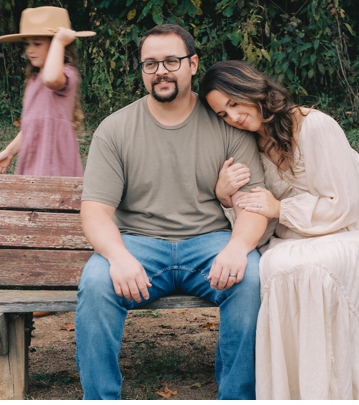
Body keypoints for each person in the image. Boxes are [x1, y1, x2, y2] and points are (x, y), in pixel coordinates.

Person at [75, 24, 269, 400]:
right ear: (142, 71)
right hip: (137, 245)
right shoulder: (115, 130)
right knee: (97, 282)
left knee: (251, 278)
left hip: (210, 243)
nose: (160, 71)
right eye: (150, 63)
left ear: (193, 64)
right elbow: (95, 212)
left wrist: (236, 247)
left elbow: (254, 203)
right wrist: (117, 256)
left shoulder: (225, 122)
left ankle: (237, 397)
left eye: (171, 61)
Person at [201, 60, 359, 400]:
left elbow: (345, 203)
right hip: (289, 240)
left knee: (316, 271)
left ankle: (331, 390)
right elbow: (258, 232)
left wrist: (280, 208)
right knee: (275, 268)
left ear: (250, 88)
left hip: (345, 234)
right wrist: (226, 198)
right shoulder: (248, 148)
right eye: (222, 115)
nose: (233, 117)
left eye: (233, 102)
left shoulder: (315, 125)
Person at [0, 6, 94, 177]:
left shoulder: (65, 74)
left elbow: (52, 79)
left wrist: (59, 42)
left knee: (52, 200)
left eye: (37, 44)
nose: (30, 50)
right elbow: (32, 127)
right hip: (34, 159)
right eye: (27, 44)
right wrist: (9, 151)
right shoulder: (34, 80)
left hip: (55, 161)